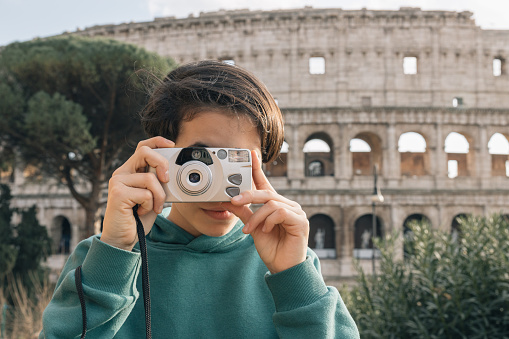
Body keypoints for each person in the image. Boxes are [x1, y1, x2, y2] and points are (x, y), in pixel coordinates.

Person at [40, 60, 360, 338]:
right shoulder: (101, 256)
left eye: (238, 164)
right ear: (161, 155)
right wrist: (115, 252)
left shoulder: (292, 264)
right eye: (201, 162)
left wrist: (294, 279)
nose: (221, 191)